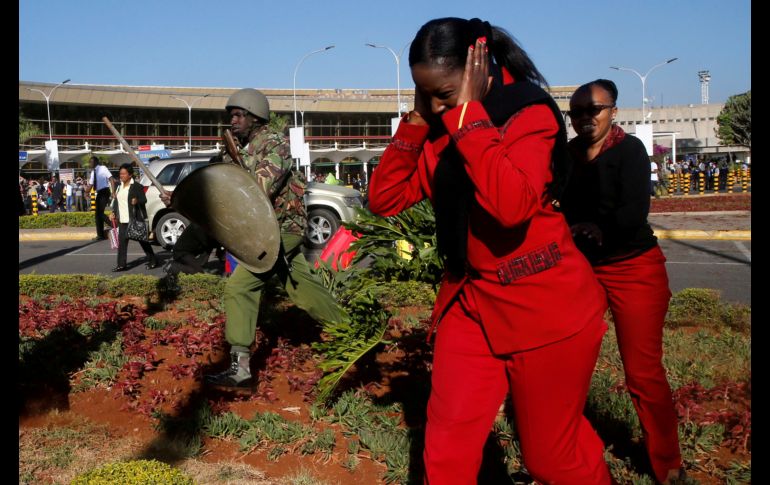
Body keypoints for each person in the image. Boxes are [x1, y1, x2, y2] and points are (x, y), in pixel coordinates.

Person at [368, 18, 611, 484]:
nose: (438, 105)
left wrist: (467, 117)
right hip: (473, 304)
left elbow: (511, 206)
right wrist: (418, 120)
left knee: (552, 458)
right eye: (426, 94)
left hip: (545, 309)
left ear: (479, 64)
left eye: (443, 92)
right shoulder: (439, 124)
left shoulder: (529, 113)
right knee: (446, 445)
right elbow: (386, 197)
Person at [160, 88, 348, 388]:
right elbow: (217, 193)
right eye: (230, 116)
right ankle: (350, 330)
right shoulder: (234, 150)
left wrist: (231, 169)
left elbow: (256, 190)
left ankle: (241, 369)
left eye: (238, 115)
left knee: (239, 287)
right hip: (260, 230)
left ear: (256, 117)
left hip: (282, 228)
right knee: (303, 286)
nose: (232, 121)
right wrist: (183, 200)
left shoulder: (276, 145)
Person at [560, 79, 684, 484]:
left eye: (592, 109)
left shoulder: (629, 150)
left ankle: (667, 464)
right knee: (568, 364)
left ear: (613, 110)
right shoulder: (568, 155)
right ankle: (569, 453)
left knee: (643, 372)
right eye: (576, 112)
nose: (584, 118)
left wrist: (598, 227)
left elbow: (635, 210)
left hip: (635, 268)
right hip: (586, 271)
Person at [109, 163, 158, 272]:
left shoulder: (136, 186)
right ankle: (121, 265)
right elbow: (116, 201)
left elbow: (144, 200)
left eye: (124, 174)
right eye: (120, 174)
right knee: (122, 244)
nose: (121, 176)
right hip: (122, 220)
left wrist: (137, 201)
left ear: (130, 175)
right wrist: (113, 212)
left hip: (134, 219)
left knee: (143, 241)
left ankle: (153, 260)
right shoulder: (118, 186)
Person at [87, 156, 115, 240]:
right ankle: (100, 235)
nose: (90, 164)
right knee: (97, 214)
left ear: (96, 162)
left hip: (105, 192)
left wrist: (113, 191)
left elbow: (111, 179)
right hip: (99, 193)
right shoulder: (93, 172)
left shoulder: (103, 168)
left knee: (99, 213)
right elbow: (91, 185)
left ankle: (113, 225)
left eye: (91, 162)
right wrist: (86, 192)